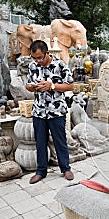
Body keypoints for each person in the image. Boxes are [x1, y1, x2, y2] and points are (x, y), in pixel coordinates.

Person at [25, 40, 74, 184]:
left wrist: (51, 86)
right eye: (34, 58)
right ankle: (41, 171)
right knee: (40, 142)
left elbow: (70, 86)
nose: (37, 61)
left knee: (60, 141)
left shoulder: (60, 65)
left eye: (40, 57)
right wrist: (32, 87)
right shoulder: (33, 66)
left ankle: (65, 168)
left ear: (47, 53)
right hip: (39, 111)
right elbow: (27, 85)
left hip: (56, 110)